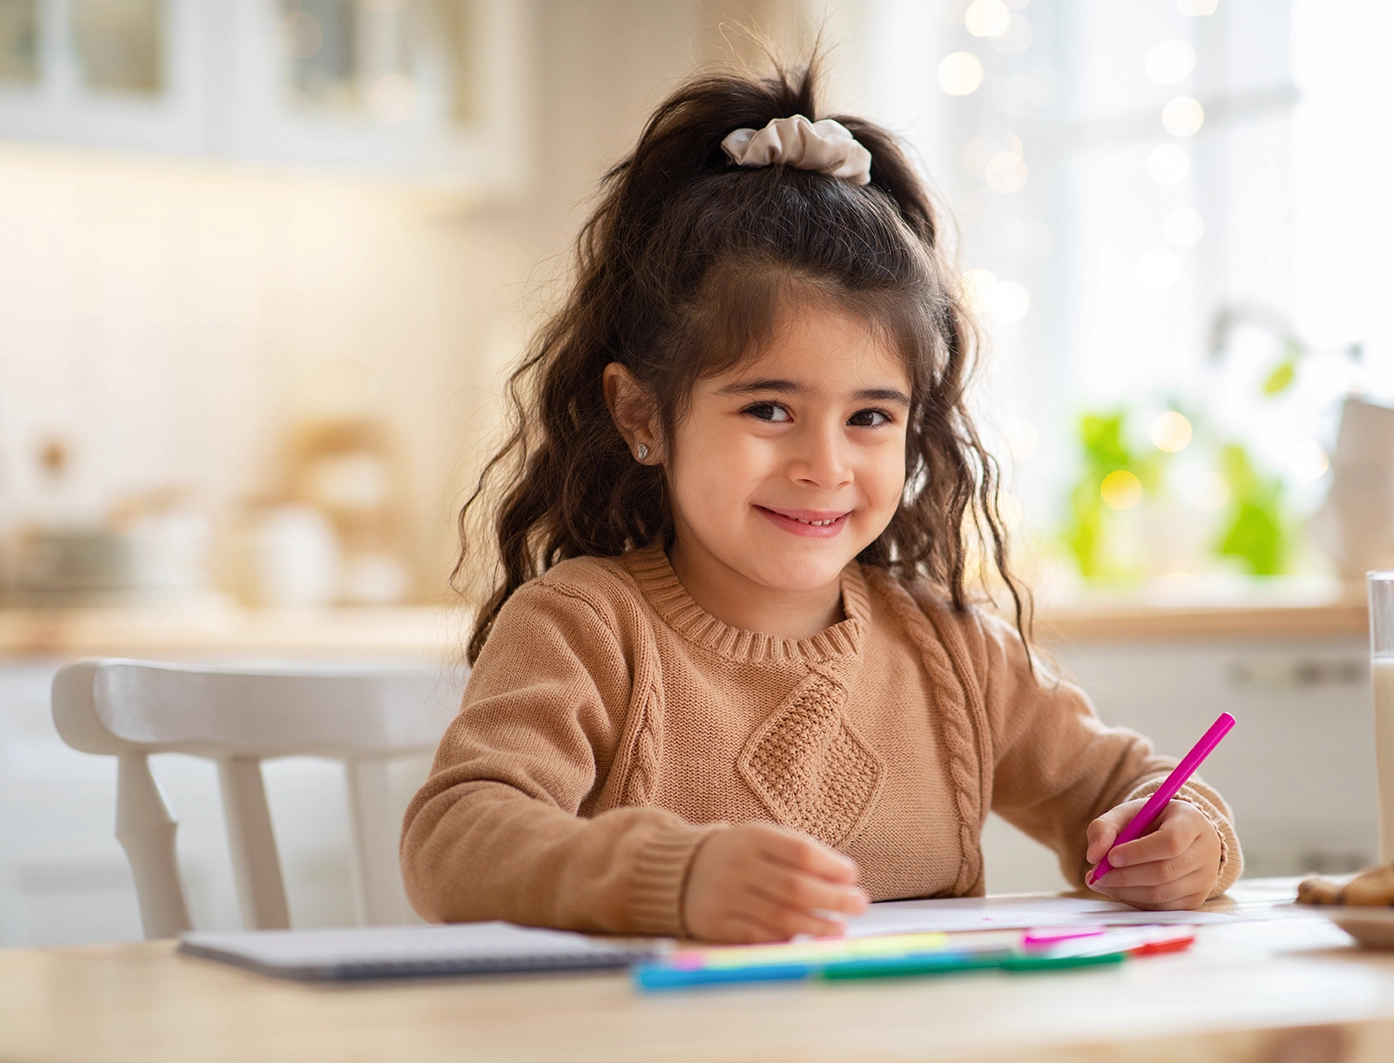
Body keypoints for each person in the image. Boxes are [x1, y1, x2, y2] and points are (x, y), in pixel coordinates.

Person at [400, 58, 1241, 943]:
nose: (824, 464)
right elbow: (454, 841)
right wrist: (669, 877)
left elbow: (1128, 788)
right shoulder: (584, 627)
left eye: (871, 416)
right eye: (770, 408)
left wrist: (1187, 838)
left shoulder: (954, 653)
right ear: (640, 413)